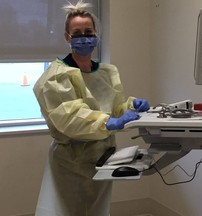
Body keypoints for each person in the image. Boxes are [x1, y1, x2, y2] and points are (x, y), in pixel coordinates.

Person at [33, 1, 150, 215]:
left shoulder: (106, 72)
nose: (84, 37)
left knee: (97, 209)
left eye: (88, 31)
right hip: (71, 161)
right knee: (69, 210)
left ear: (96, 34)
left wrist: (131, 106)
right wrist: (109, 122)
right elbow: (71, 118)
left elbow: (114, 109)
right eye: (77, 33)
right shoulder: (57, 76)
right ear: (67, 38)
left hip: (103, 156)